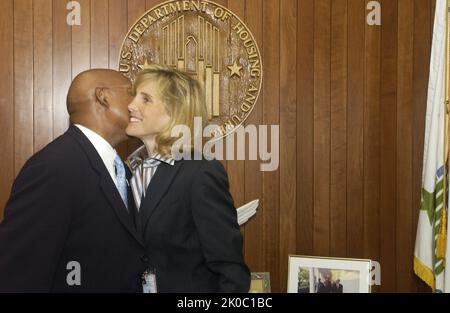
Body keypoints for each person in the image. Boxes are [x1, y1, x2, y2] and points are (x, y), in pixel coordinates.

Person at [0, 69, 147, 292]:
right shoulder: (53, 167)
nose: (136, 103)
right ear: (103, 96)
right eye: (130, 92)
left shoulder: (119, 169)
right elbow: (21, 273)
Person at [125, 64, 250, 292]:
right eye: (134, 96)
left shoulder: (200, 171)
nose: (130, 105)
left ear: (174, 110)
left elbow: (230, 271)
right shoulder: (128, 170)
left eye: (145, 99)